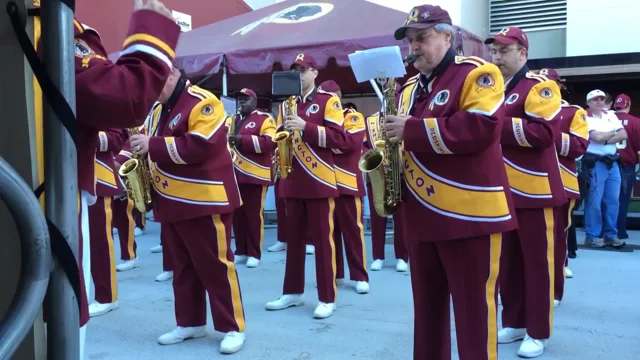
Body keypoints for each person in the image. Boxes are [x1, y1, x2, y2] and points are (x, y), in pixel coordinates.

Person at [30, 0, 180, 357]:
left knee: (105, 241)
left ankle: (110, 291)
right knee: (61, 298)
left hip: (90, 180)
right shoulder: (50, 27)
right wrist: (152, 29)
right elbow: (125, 95)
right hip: (46, 193)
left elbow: (116, 131)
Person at [386, 5, 516, 360]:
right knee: (427, 315)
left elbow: (482, 129)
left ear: (448, 36)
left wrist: (409, 130)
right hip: (422, 216)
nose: (413, 47)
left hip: (470, 216)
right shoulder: (409, 88)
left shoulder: (479, 73)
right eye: (410, 40)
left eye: (422, 38)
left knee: (474, 315)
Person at [130, 68, 246, 353]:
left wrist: (152, 145)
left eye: (154, 81)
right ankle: (190, 322)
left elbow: (201, 146)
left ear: (171, 74)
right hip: (171, 201)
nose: (151, 90)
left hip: (204, 201)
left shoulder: (204, 101)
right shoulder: (158, 110)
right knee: (182, 269)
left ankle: (232, 326)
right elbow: (144, 143)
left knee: (216, 266)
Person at [487, 26, 565, 358]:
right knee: (509, 264)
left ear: (522, 53)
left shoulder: (540, 87)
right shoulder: (491, 90)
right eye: (495, 50)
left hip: (535, 192)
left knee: (538, 264)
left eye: (504, 50)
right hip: (503, 192)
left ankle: (538, 330)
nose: (497, 56)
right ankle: (515, 320)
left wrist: (491, 126)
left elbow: (543, 133)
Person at [265, 53, 348, 319]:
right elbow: (278, 138)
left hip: (320, 181)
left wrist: (306, 127)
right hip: (292, 180)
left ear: (315, 72)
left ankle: (327, 297)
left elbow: (341, 139)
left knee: (323, 242)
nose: (299, 74)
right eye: (295, 70)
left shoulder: (327, 100)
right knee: (294, 241)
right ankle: (293, 292)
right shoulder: (285, 105)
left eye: (303, 70)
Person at [538, 68, 589, 306]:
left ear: (560, 86)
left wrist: (544, 133)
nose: (546, 86)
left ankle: (553, 289)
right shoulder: (527, 108)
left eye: (551, 82)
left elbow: (579, 147)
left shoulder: (572, 112)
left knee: (557, 239)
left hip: (561, 183)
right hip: (523, 184)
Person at [318, 80, 369, 294]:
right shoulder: (320, 118)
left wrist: (324, 142)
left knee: (352, 231)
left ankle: (359, 276)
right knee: (328, 233)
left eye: (330, 97)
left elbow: (350, 143)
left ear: (338, 95)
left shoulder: (352, 116)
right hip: (324, 182)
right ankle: (336, 274)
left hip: (347, 183)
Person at [227, 88, 277, 268]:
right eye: (240, 99)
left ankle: (254, 252)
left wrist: (242, 140)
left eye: (246, 99)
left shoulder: (264, 119)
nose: (242, 102)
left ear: (255, 102)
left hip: (255, 176)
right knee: (238, 216)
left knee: (253, 216)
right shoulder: (234, 120)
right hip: (236, 176)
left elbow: (269, 142)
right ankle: (241, 250)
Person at [89, 129, 128, 317]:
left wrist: (82, 136)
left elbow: (117, 138)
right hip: (63, 175)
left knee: (99, 242)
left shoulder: (100, 100)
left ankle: (106, 296)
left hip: (97, 177)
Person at [362, 111, 409, 272]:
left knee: (401, 219)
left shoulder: (405, 118)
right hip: (377, 175)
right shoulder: (370, 120)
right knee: (377, 218)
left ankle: (402, 257)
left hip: (400, 173)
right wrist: (377, 160)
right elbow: (364, 146)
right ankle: (378, 257)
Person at [583, 89, 627, 247]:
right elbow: (596, 138)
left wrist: (605, 138)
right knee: (595, 201)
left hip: (613, 163)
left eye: (602, 99)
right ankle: (592, 235)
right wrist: (612, 133)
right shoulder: (585, 117)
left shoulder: (611, 115)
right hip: (595, 163)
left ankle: (610, 234)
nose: (600, 102)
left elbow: (623, 135)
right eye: (595, 99)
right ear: (588, 103)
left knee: (613, 200)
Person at [613, 94, 640, 239]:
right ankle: (620, 231)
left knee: (607, 199)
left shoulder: (607, 120)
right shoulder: (636, 122)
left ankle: (604, 230)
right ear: (628, 105)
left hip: (608, 164)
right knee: (622, 199)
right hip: (627, 166)